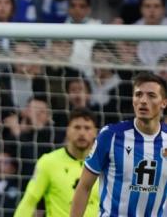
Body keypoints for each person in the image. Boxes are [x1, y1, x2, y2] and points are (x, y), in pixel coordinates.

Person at [71, 72, 167, 216]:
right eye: (138, 94)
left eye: (151, 96)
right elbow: (84, 187)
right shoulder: (111, 135)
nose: (143, 100)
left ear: (164, 103)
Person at [14, 108, 100, 217]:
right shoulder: (48, 162)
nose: (82, 133)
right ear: (68, 130)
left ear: (95, 132)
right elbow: (29, 201)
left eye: (87, 128)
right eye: (77, 127)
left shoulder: (105, 164)